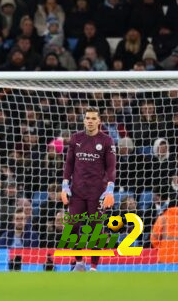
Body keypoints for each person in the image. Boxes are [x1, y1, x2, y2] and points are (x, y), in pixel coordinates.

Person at [61, 107, 116, 271]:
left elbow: (111, 167)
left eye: (93, 118)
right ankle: (79, 262)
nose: (90, 121)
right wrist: (65, 185)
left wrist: (110, 189)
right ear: (84, 120)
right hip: (77, 192)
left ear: (99, 121)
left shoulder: (106, 141)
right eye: (87, 118)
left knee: (96, 228)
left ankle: (93, 267)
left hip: (97, 193)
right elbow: (69, 163)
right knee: (72, 226)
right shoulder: (76, 138)